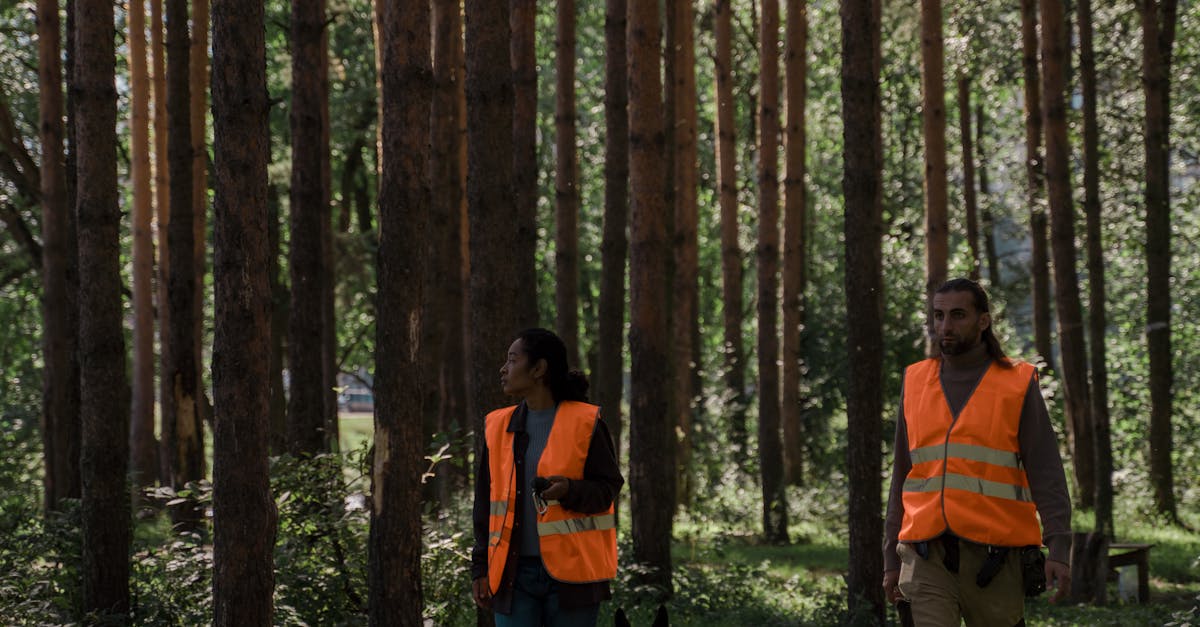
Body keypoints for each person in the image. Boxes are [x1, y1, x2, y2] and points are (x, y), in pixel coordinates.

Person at [882, 278, 1072, 626]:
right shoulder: (915, 381)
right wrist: (890, 558)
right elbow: (902, 477)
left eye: (957, 315)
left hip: (996, 561)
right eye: (938, 316)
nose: (945, 326)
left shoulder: (1016, 383)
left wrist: (1059, 547)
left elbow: (1046, 471)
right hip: (925, 556)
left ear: (983, 321)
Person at [471, 328, 623, 626]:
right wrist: (479, 568)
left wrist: (569, 490)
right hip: (512, 575)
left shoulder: (586, 422)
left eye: (513, 360)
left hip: (574, 578)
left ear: (539, 369)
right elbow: (484, 505)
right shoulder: (497, 427)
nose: (504, 369)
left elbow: (608, 488)